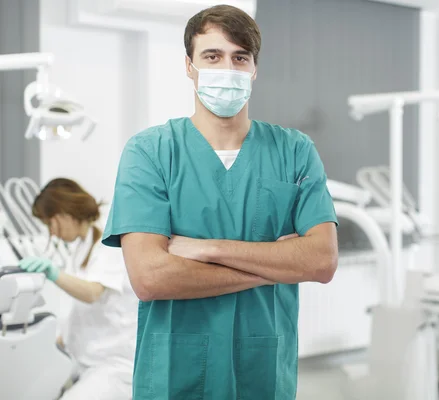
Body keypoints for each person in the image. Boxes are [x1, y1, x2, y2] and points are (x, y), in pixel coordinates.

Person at [101, 4, 338, 400]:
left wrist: (209, 249)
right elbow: (151, 277)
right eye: (212, 56)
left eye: (239, 57)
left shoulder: (294, 151)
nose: (227, 69)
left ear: (254, 69)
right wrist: (274, 268)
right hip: (176, 373)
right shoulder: (151, 152)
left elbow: (321, 261)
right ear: (189, 66)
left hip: (262, 372)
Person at [18, 178, 138, 400]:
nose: (52, 233)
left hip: (114, 364)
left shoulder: (109, 240)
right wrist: (59, 339)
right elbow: (81, 309)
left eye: (50, 223)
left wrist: (53, 273)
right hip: (85, 360)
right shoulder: (83, 245)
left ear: (65, 213)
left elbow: (92, 293)